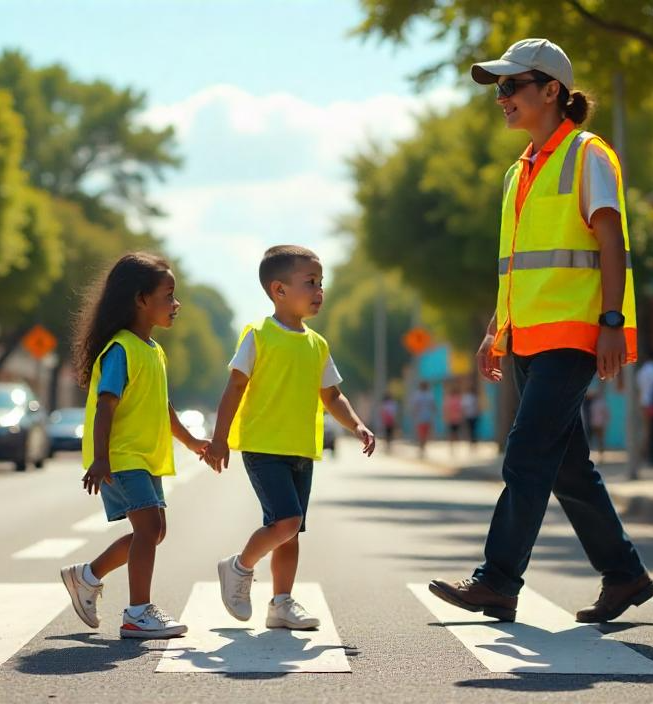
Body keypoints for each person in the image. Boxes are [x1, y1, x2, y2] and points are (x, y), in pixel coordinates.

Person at [428, 38, 653, 625]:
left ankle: (498, 581)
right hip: (527, 337)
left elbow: (612, 243)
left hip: (574, 337)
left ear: (551, 90)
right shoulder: (520, 170)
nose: (500, 98)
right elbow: (515, 264)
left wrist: (611, 322)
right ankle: (625, 574)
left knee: (526, 454)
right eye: (498, 88)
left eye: (511, 86)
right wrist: (494, 329)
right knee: (566, 467)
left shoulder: (587, 155)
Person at [204, 245, 376, 630]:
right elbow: (234, 388)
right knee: (287, 521)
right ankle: (238, 566)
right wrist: (219, 439)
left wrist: (356, 425)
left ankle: (281, 603)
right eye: (310, 283)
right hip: (263, 447)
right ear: (278, 290)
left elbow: (332, 395)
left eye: (321, 283)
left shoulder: (317, 344)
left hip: (301, 448)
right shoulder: (259, 336)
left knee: (290, 531)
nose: (319, 291)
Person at [59, 253, 210, 640]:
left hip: (143, 457)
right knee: (150, 527)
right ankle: (137, 613)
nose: (176, 304)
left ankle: (87, 576)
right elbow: (105, 405)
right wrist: (101, 457)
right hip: (122, 456)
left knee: (153, 531)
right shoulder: (121, 349)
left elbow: (161, 406)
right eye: (169, 295)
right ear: (141, 300)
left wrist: (192, 441)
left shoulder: (152, 350)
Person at [410, 381, 436, 459]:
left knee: (422, 434)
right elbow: (433, 406)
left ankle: (422, 448)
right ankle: (422, 448)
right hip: (425, 417)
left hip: (421, 418)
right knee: (424, 434)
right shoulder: (429, 395)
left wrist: (413, 414)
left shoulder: (418, 395)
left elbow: (414, 406)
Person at [444, 384, 465, 454]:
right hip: (456, 418)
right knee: (456, 433)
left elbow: (446, 409)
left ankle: (452, 447)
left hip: (452, 418)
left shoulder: (449, 399)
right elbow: (461, 409)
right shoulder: (458, 399)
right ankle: (455, 447)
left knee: (452, 434)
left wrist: (446, 416)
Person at [461, 383, 481, 449]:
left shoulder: (469, 397)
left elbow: (464, 407)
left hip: (471, 415)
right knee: (472, 429)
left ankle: (473, 442)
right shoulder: (472, 397)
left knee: (472, 430)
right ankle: (472, 442)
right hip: (471, 415)